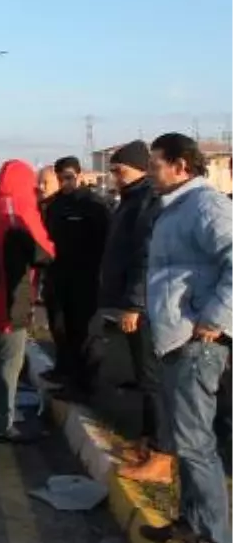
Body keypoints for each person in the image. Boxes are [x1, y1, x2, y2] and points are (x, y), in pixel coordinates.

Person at [139, 133, 233, 543]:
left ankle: (216, 542)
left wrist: (213, 317)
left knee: (196, 444)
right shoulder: (175, 207)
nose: (151, 171)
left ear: (181, 166)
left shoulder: (206, 207)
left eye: (156, 163)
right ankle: (192, 523)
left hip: (198, 342)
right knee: (186, 439)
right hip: (176, 338)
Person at [96, 141, 170, 483]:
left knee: (153, 379)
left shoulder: (147, 202)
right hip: (131, 302)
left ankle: (160, 455)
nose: (114, 177)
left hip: (144, 307)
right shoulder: (131, 200)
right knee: (143, 377)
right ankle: (146, 442)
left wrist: (134, 305)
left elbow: (144, 257)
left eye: (119, 170)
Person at [0, 160, 56, 442]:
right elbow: (45, 251)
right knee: (9, 364)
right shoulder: (20, 210)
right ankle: (3, 422)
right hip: (12, 299)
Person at [45, 156, 112, 401]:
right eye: (60, 178)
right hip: (59, 276)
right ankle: (66, 373)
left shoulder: (94, 205)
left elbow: (106, 241)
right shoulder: (54, 206)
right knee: (62, 328)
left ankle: (86, 384)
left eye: (70, 177)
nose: (65, 183)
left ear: (80, 176)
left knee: (85, 333)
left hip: (87, 277)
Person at [36, 166, 68, 383]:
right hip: (50, 275)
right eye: (39, 182)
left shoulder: (62, 207)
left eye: (45, 182)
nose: (40, 187)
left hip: (67, 275)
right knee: (56, 326)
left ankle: (71, 374)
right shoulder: (43, 207)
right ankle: (60, 368)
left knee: (67, 328)